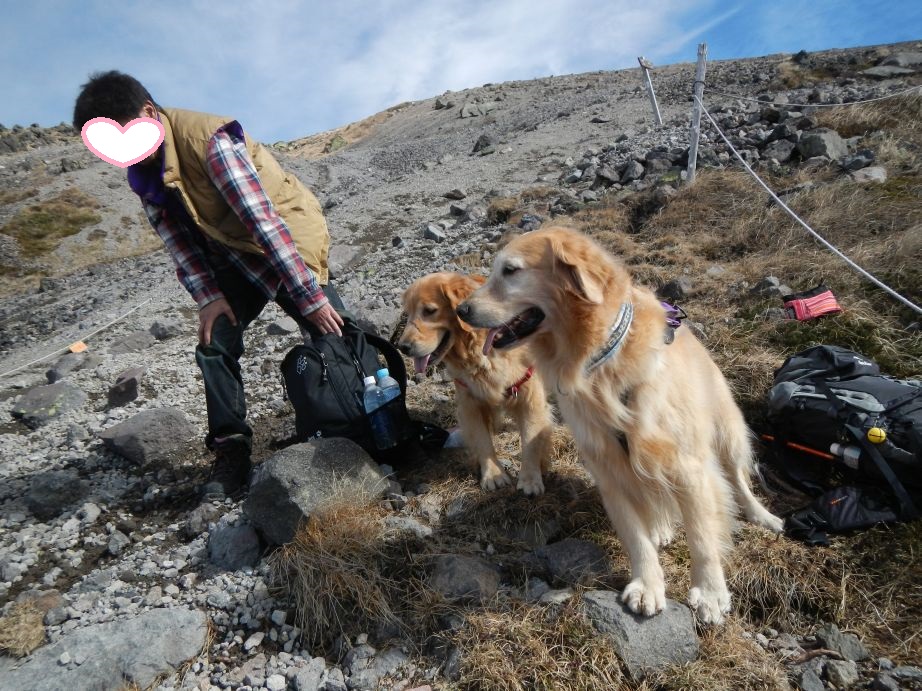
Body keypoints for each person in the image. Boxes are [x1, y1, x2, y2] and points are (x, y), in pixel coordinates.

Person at [73, 71, 345, 501]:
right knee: (214, 341)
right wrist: (210, 297)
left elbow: (264, 224)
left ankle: (355, 416)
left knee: (330, 328)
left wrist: (308, 296)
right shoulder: (143, 172)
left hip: (286, 237)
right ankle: (231, 449)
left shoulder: (209, 142)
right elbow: (177, 242)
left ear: (147, 113)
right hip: (233, 256)